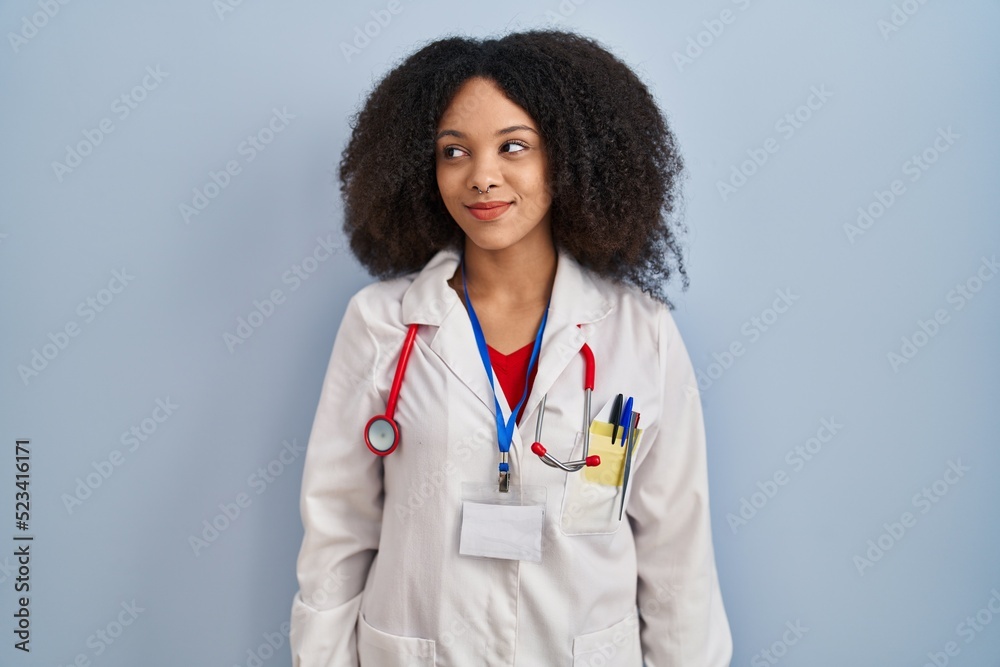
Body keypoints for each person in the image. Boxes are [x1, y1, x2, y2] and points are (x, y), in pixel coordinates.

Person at [289, 28, 732, 666]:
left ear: (572, 157)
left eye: (514, 146)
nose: (482, 177)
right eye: (453, 152)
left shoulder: (640, 333)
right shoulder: (382, 325)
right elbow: (337, 533)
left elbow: (678, 557)